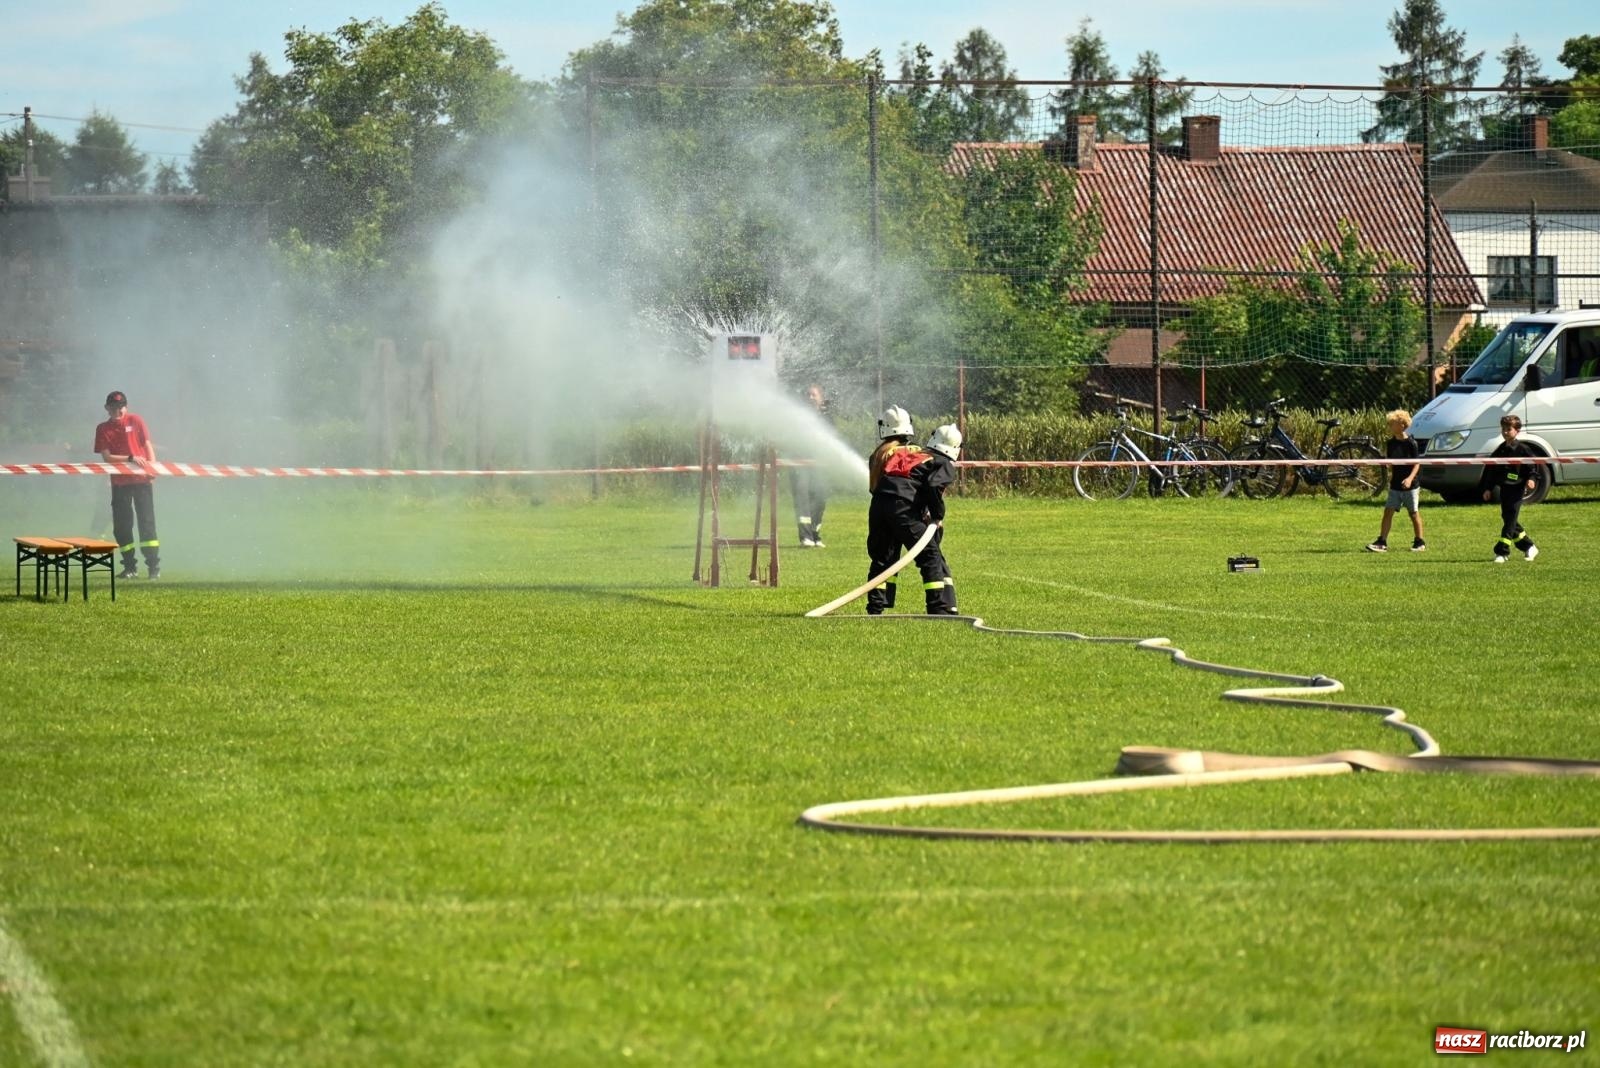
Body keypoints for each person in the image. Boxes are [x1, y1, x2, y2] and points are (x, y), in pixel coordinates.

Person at [866, 418, 962, 616]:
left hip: (878, 505)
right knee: (930, 555)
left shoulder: (916, 454)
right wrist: (937, 514)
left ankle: (876, 607)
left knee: (883, 557)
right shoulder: (942, 462)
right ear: (955, 448)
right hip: (902, 507)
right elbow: (934, 486)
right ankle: (938, 608)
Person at [94, 389, 161, 580]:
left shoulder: (136, 420)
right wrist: (130, 458)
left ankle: (153, 567)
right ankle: (130, 567)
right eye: (114, 407)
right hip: (120, 482)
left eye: (121, 406)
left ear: (126, 406)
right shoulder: (103, 429)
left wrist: (152, 468)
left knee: (147, 523)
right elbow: (107, 457)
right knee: (122, 525)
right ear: (107, 408)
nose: (119, 410)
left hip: (141, 481)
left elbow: (147, 445)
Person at [1478, 413, 1539, 564]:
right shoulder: (1500, 449)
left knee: (1510, 518)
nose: (1505, 432)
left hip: (1517, 489)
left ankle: (1502, 551)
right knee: (1508, 519)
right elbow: (1491, 470)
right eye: (1503, 429)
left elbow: (1533, 468)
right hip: (1504, 488)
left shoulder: (1523, 449)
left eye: (1509, 429)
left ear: (1517, 430)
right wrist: (1488, 488)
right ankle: (1529, 546)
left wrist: (1531, 480)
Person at [1365, 409, 1426, 553]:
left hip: (1411, 486)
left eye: (1393, 424)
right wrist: (1387, 464)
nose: (1390, 426)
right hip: (1395, 485)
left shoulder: (1412, 443)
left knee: (1413, 513)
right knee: (1388, 511)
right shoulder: (1391, 443)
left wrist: (1410, 479)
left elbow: (1417, 464)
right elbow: (1391, 461)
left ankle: (1419, 542)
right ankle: (1382, 541)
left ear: (1403, 425)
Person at [791, 383, 832, 547]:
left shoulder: (827, 419)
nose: (810, 398)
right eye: (808, 395)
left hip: (820, 467)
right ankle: (805, 537)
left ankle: (815, 534)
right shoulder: (798, 417)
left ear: (821, 399)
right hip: (800, 465)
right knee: (803, 499)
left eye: (813, 395)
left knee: (820, 498)